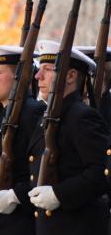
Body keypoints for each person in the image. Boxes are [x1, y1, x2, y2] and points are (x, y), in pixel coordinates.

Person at [27, 40, 109, 235]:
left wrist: (59, 195)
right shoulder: (48, 117)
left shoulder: (81, 117)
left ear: (71, 75)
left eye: (47, 69)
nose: (38, 76)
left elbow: (102, 172)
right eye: (40, 69)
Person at [0, 45, 45, 235]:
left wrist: (16, 196)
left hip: (19, 224)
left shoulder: (34, 114)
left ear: (18, 77)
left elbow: (42, 173)